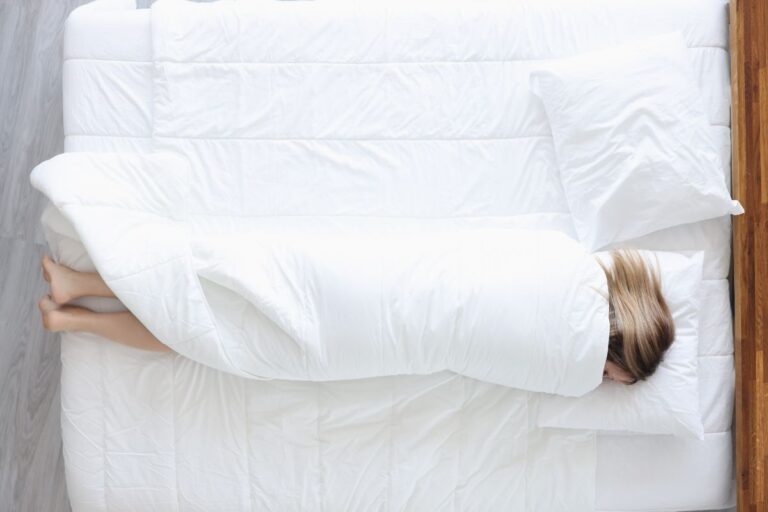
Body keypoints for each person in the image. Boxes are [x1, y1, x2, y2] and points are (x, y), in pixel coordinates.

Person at [37, 248, 674, 385]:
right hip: (372, 341)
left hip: (380, 272)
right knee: (218, 338)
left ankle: (82, 282)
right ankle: (77, 320)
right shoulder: (575, 370)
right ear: (621, 359)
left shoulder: (577, 265)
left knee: (231, 279)